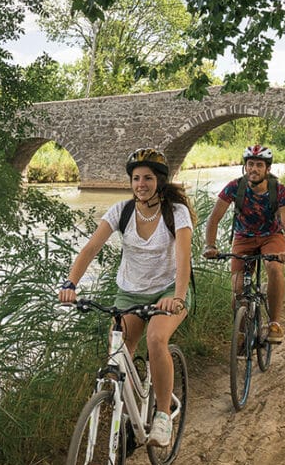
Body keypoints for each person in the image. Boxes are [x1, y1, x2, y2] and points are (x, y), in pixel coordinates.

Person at [58, 147, 194, 447]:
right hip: (130, 292)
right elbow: (90, 248)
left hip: (169, 291)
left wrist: (178, 297)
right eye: (135, 178)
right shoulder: (121, 211)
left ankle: (161, 414)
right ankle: (131, 413)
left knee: (156, 340)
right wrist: (70, 283)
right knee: (118, 353)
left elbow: (184, 259)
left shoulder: (177, 213)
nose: (140, 184)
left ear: (159, 181)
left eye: (147, 178)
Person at [202, 144, 285, 344]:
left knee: (274, 268)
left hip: (271, 236)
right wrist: (210, 245)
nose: (253, 169)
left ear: (267, 169)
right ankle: (243, 333)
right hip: (243, 238)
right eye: (250, 164)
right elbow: (214, 218)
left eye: (259, 165)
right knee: (237, 288)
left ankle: (274, 323)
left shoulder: (279, 190)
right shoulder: (235, 187)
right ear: (245, 167)